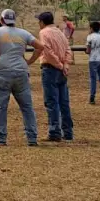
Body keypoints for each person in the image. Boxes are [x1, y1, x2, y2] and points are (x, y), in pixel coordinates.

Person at [0, 9, 43, 146]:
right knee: (27, 106)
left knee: (1, 107)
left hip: (3, 71)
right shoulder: (23, 33)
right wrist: (29, 61)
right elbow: (40, 46)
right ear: (14, 20)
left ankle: (1, 138)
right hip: (21, 72)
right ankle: (32, 138)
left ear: (2, 20)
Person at [38, 11, 73, 142]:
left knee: (51, 101)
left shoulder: (43, 33)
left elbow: (47, 51)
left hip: (50, 69)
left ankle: (54, 132)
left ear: (42, 22)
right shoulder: (60, 32)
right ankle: (68, 132)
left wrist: (59, 64)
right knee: (64, 102)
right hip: (62, 70)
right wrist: (65, 65)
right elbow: (68, 49)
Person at [85, 21, 100, 105]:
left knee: (93, 79)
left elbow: (88, 51)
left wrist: (86, 51)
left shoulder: (90, 37)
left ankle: (92, 98)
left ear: (91, 28)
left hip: (93, 60)